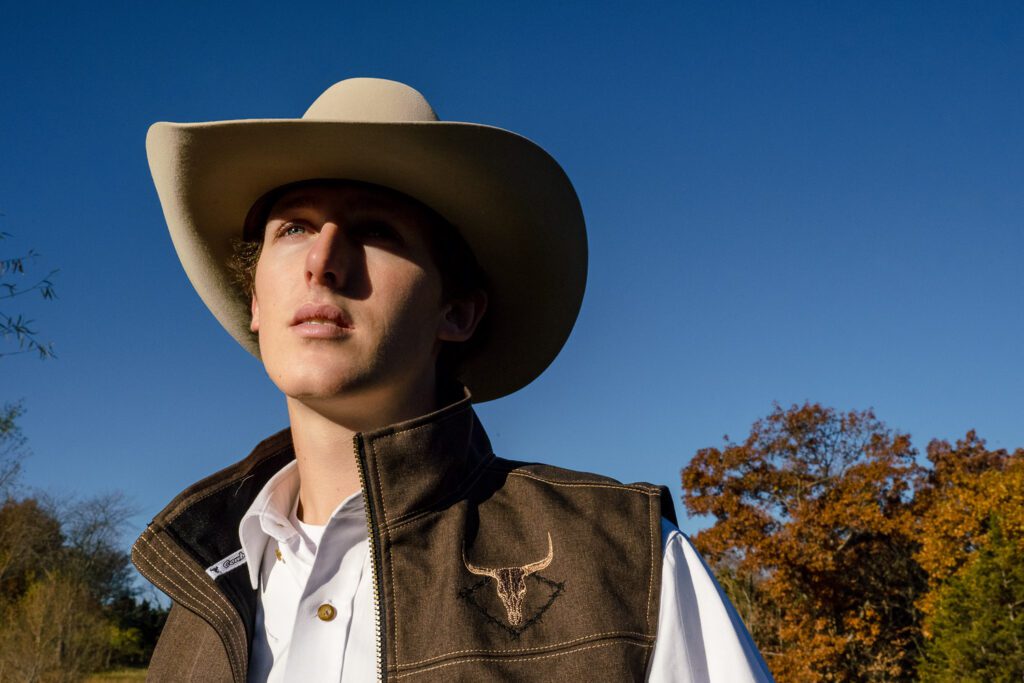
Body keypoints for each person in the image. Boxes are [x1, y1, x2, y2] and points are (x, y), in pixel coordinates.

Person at [133, 78, 773, 682]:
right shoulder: (202, 603)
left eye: (376, 231)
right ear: (254, 300)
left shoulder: (626, 564)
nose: (323, 262)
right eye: (293, 228)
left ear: (457, 311)